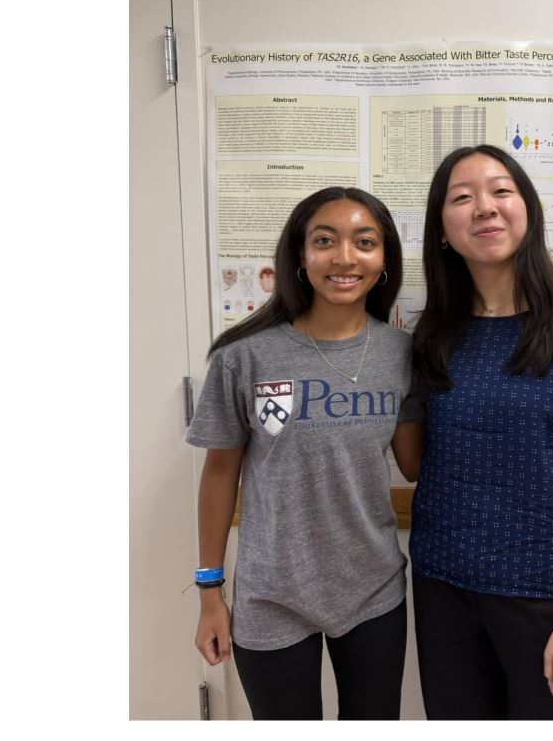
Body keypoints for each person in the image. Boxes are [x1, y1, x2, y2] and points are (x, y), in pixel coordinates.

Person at [187, 187, 424, 720]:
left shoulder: (402, 354)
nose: (344, 258)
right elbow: (219, 474)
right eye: (325, 241)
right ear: (299, 255)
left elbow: (414, 464)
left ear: (385, 261)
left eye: (364, 242)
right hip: (272, 592)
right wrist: (209, 592)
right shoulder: (243, 356)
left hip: (373, 589)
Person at [409, 145, 553, 720]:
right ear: (441, 231)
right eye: (462, 198)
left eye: (501, 191)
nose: (485, 207)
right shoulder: (435, 331)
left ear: (528, 209)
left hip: (543, 595)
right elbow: (420, 461)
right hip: (443, 589)